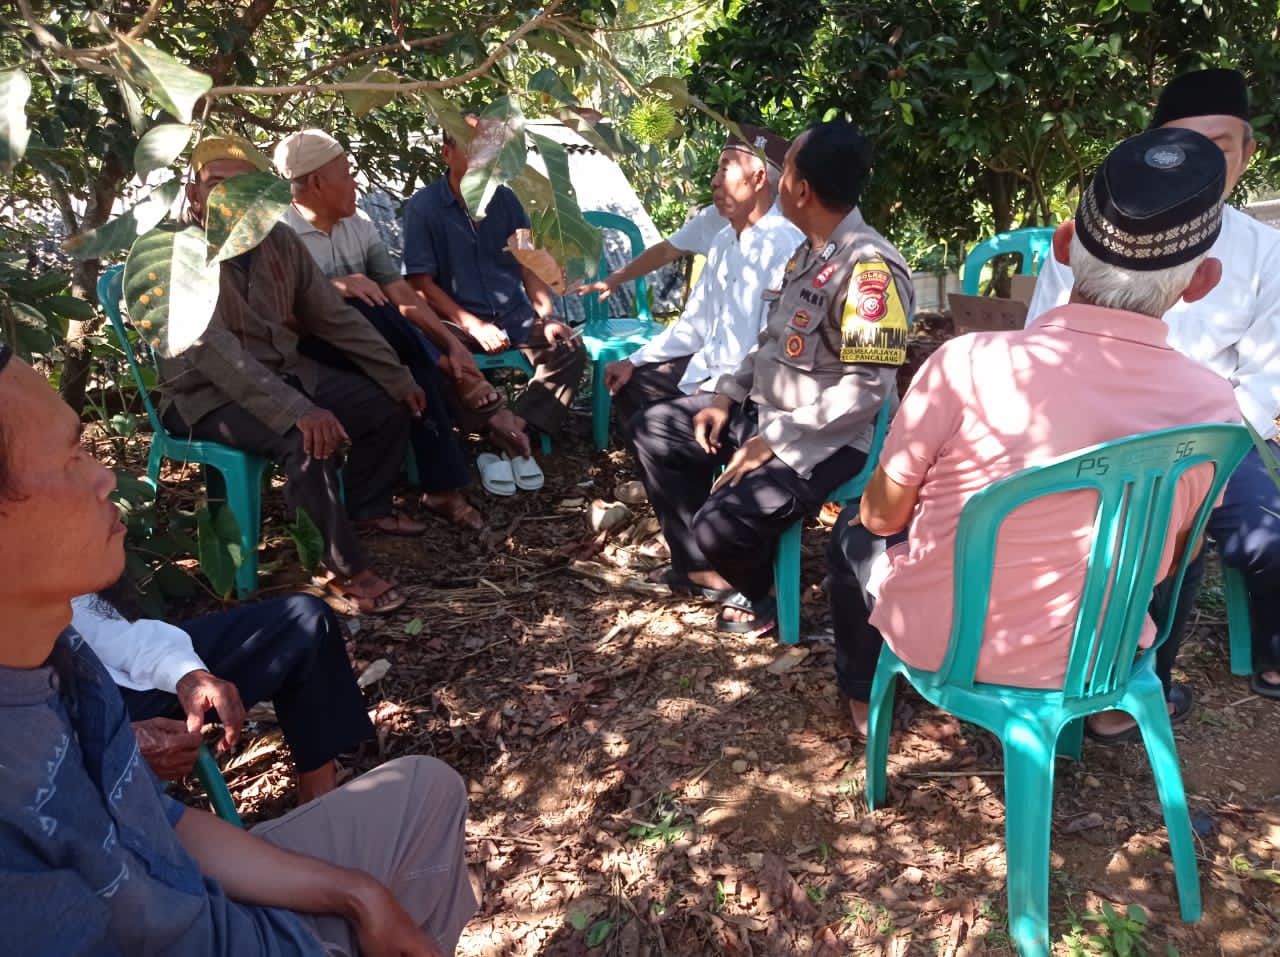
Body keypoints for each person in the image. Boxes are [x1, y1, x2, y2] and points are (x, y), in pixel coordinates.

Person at [0, 344, 476, 955]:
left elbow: (159, 820)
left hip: (205, 892)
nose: (106, 477)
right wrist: (298, 410)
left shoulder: (61, 656)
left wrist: (359, 894)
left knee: (417, 777)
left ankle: (320, 797)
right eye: (71, 459)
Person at [827, 127, 1241, 738]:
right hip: (1099, 657)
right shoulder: (1213, 405)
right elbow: (1175, 556)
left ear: (1064, 246)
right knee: (1186, 548)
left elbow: (884, 518)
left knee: (852, 531)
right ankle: (1109, 711)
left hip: (947, 646)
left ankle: (867, 705)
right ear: (1202, 280)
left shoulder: (965, 363)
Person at [1026, 68, 1280, 707]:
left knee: (1265, 535)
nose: (1199, 161)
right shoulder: (1096, 231)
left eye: (1218, 146)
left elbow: (1267, 376)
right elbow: (1043, 343)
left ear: (1248, 153)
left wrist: (1201, 448)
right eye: (1181, 144)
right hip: (1093, 422)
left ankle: (1252, 653)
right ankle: (1111, 681)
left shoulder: (1266, 251)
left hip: (1218, 429)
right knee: (1116, 533)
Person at [631, 120, 911, 633]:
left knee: (720, 524)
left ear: (802, 191)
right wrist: (725, 395)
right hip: (764, 411)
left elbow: (866, 389)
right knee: (655, 431)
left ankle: (763, 593)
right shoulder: (810, 252)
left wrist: (772, 441)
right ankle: (708, 567)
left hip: (827, 437)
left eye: (786, 173)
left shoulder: (870, 271)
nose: (777, 182)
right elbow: (771, 340)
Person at [156, 135, 425, 614]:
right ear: (194, 193)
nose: (228, 197)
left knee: (383, 403)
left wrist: (397, 374)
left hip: (285, 372)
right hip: (205, 395)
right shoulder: (174, 255)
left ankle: (364, 508)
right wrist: (297, 409)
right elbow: (212, 352)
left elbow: (332, 316)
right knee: (308, 438)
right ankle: (339, 567)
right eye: (215, 184)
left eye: (242, 187)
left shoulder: (278, 240)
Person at [275, 129, 484, 530]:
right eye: (346, 174)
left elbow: (399, 291)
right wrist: (332, 288)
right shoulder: (278, 234)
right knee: (363, 305)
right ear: (316, 183)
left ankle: (439, 366)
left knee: (408, 365)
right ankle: (446, 482)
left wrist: (449, 344)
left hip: (374, 348)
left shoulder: (359, 224)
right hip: (309, 351)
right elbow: (278, 315)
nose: (355, 183)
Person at [599, 126, 803, 446]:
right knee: (630, 385)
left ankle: (699, 470)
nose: (714, 182)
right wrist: (634, 360)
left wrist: (720, 393)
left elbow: (771, 348)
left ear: (759, 179)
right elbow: (694, 325)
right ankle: (681, 472)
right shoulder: (723, 239)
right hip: (709, 370)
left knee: (651, 428)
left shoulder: (787, 247)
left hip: (748, 391)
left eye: (725, 170)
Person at [73, 590, 375, 805]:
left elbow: (103, 629)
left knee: (304, 620)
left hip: (104, 683)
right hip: (64, 732)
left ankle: (319, 800)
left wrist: (185, 673)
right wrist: (106, 747)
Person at [401, 121, 588, 457]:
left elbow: (528, 263)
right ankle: (490, 423)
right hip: (456, 324)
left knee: (569, 346)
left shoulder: (506, 201)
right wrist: (473, 325)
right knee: (429, 354)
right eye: (471, 147)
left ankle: (515, 424)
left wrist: (548, 317)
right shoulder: (423, 208)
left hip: (513, 316)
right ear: (447, 153)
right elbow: (420, 284)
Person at [578, 203, 727, 304]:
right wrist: (614, 279)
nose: (715, 181)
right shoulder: (714, 217)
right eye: (719, 171)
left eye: (725, 170)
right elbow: (665, 251)